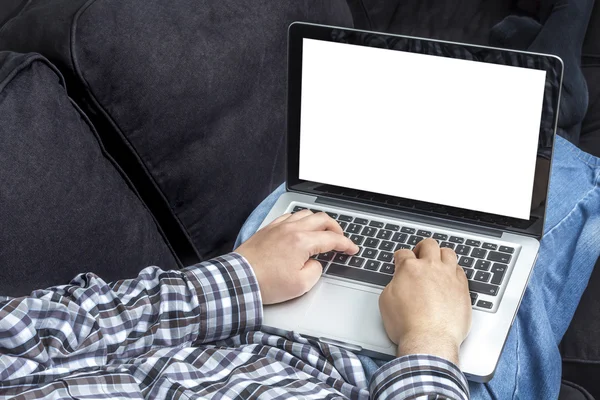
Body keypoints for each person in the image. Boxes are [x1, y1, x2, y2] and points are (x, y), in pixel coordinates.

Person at [0, 2, 599, 400]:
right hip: (408, 379)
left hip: (240, 320)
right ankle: (555, 83)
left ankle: (532, 63)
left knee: (349, 184)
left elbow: (51, 326)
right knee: (552, 179)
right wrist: (430, 341)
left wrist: (238, 278)